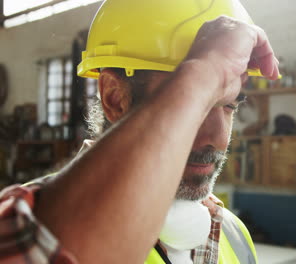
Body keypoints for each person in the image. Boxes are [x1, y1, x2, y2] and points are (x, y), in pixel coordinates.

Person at [0, 0, 279, 263]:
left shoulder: (234, 234)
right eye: (196, 104)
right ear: (114, 97)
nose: (218, 139)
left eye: (230, 106)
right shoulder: (30, 227)